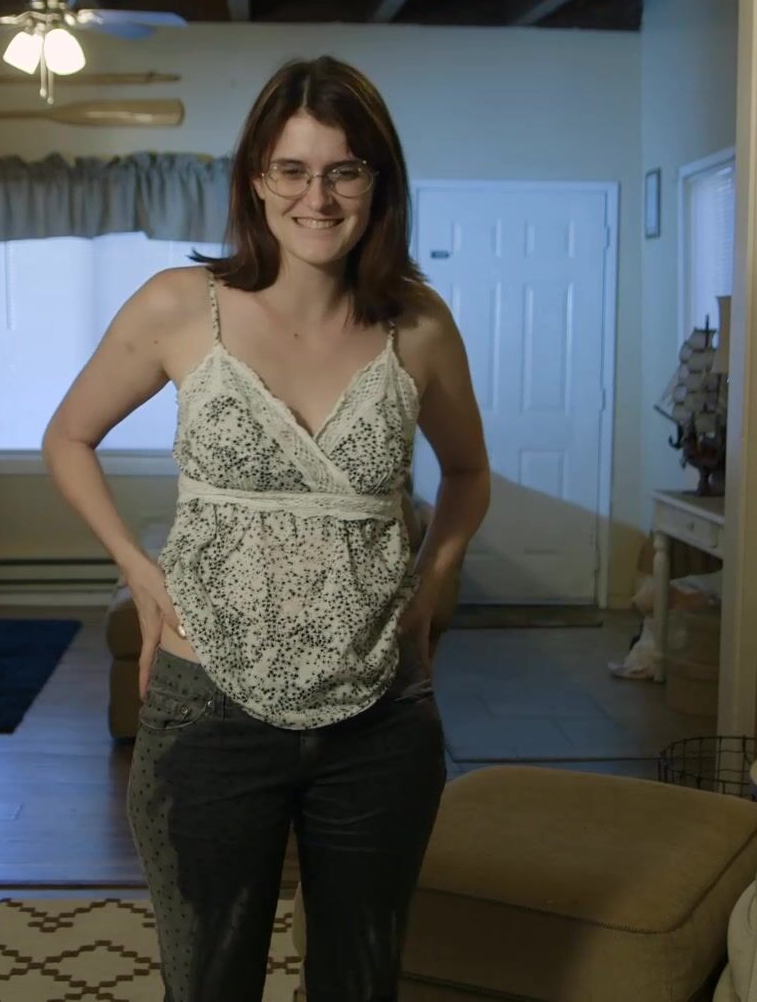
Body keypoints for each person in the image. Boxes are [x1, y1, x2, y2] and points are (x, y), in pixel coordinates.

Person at [41, 55, 490, 1001]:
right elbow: (68, 437)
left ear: (378, 184)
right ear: (256, 178)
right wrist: (138, 570)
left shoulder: (419, 325)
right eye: (292, 169)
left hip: (380, 718)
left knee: (360, 984)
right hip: (206, 711)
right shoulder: (179, 306)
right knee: (210, 985)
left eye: (343, 171)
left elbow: (468, 473)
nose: (316, 198)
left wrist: (433, 581)